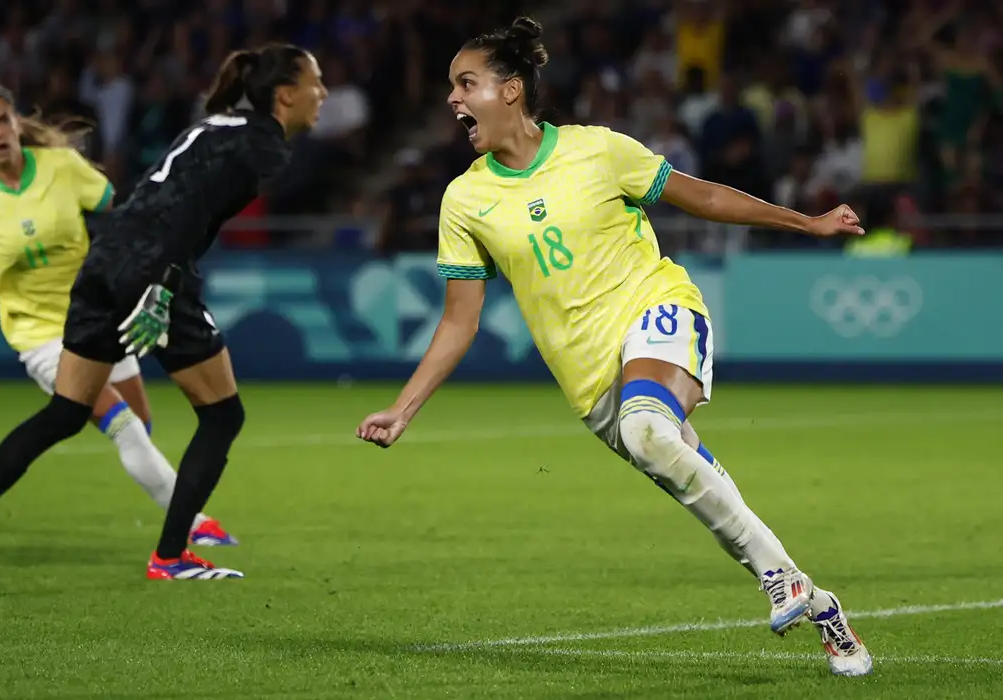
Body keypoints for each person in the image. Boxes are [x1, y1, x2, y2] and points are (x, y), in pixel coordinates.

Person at [355, 18, 872, 677]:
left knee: (649, 427)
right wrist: (405, 408)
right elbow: (460, 321)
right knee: (695, 480)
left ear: (511, 90)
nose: (453, 100)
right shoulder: (465, 200)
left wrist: (806, 221)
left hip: (657, 310)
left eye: (467, 84)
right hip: (589, 378)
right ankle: (812, 597)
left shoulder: (596, 151)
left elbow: (703, 195)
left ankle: (786, 585)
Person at [0, 49, 325, 580]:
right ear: (286, 94)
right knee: (223, 415)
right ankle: (171, 555)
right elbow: (189, 214)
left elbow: (144, 198)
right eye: (317, 83)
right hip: (151, 268)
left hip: (105, 261)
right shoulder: (262, 143)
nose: (324, 94)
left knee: (65, 414)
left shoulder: (223, 124)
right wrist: (163, 287)